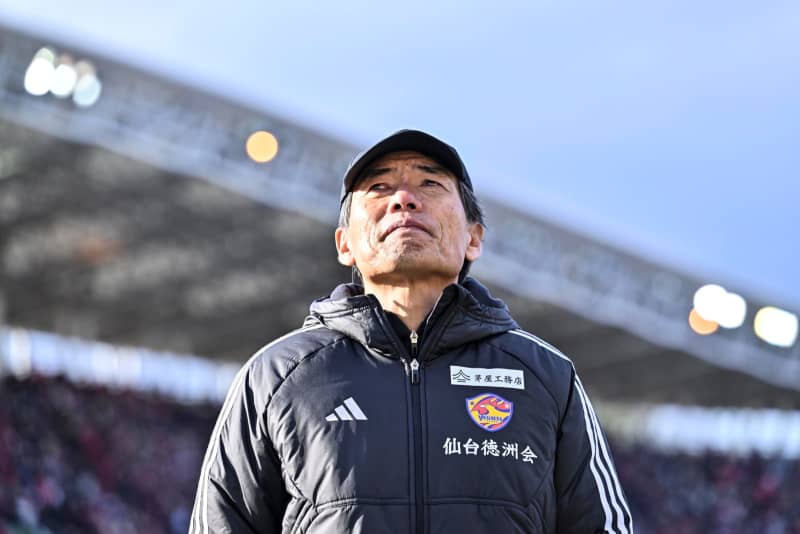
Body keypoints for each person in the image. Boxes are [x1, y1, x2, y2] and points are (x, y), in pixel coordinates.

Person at [190, 129, 633, 533]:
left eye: (430, 184)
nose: (404, 199)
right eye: (379, 188)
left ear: (474, 239)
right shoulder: (277, 376)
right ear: (345, 244)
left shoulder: (546, 376)